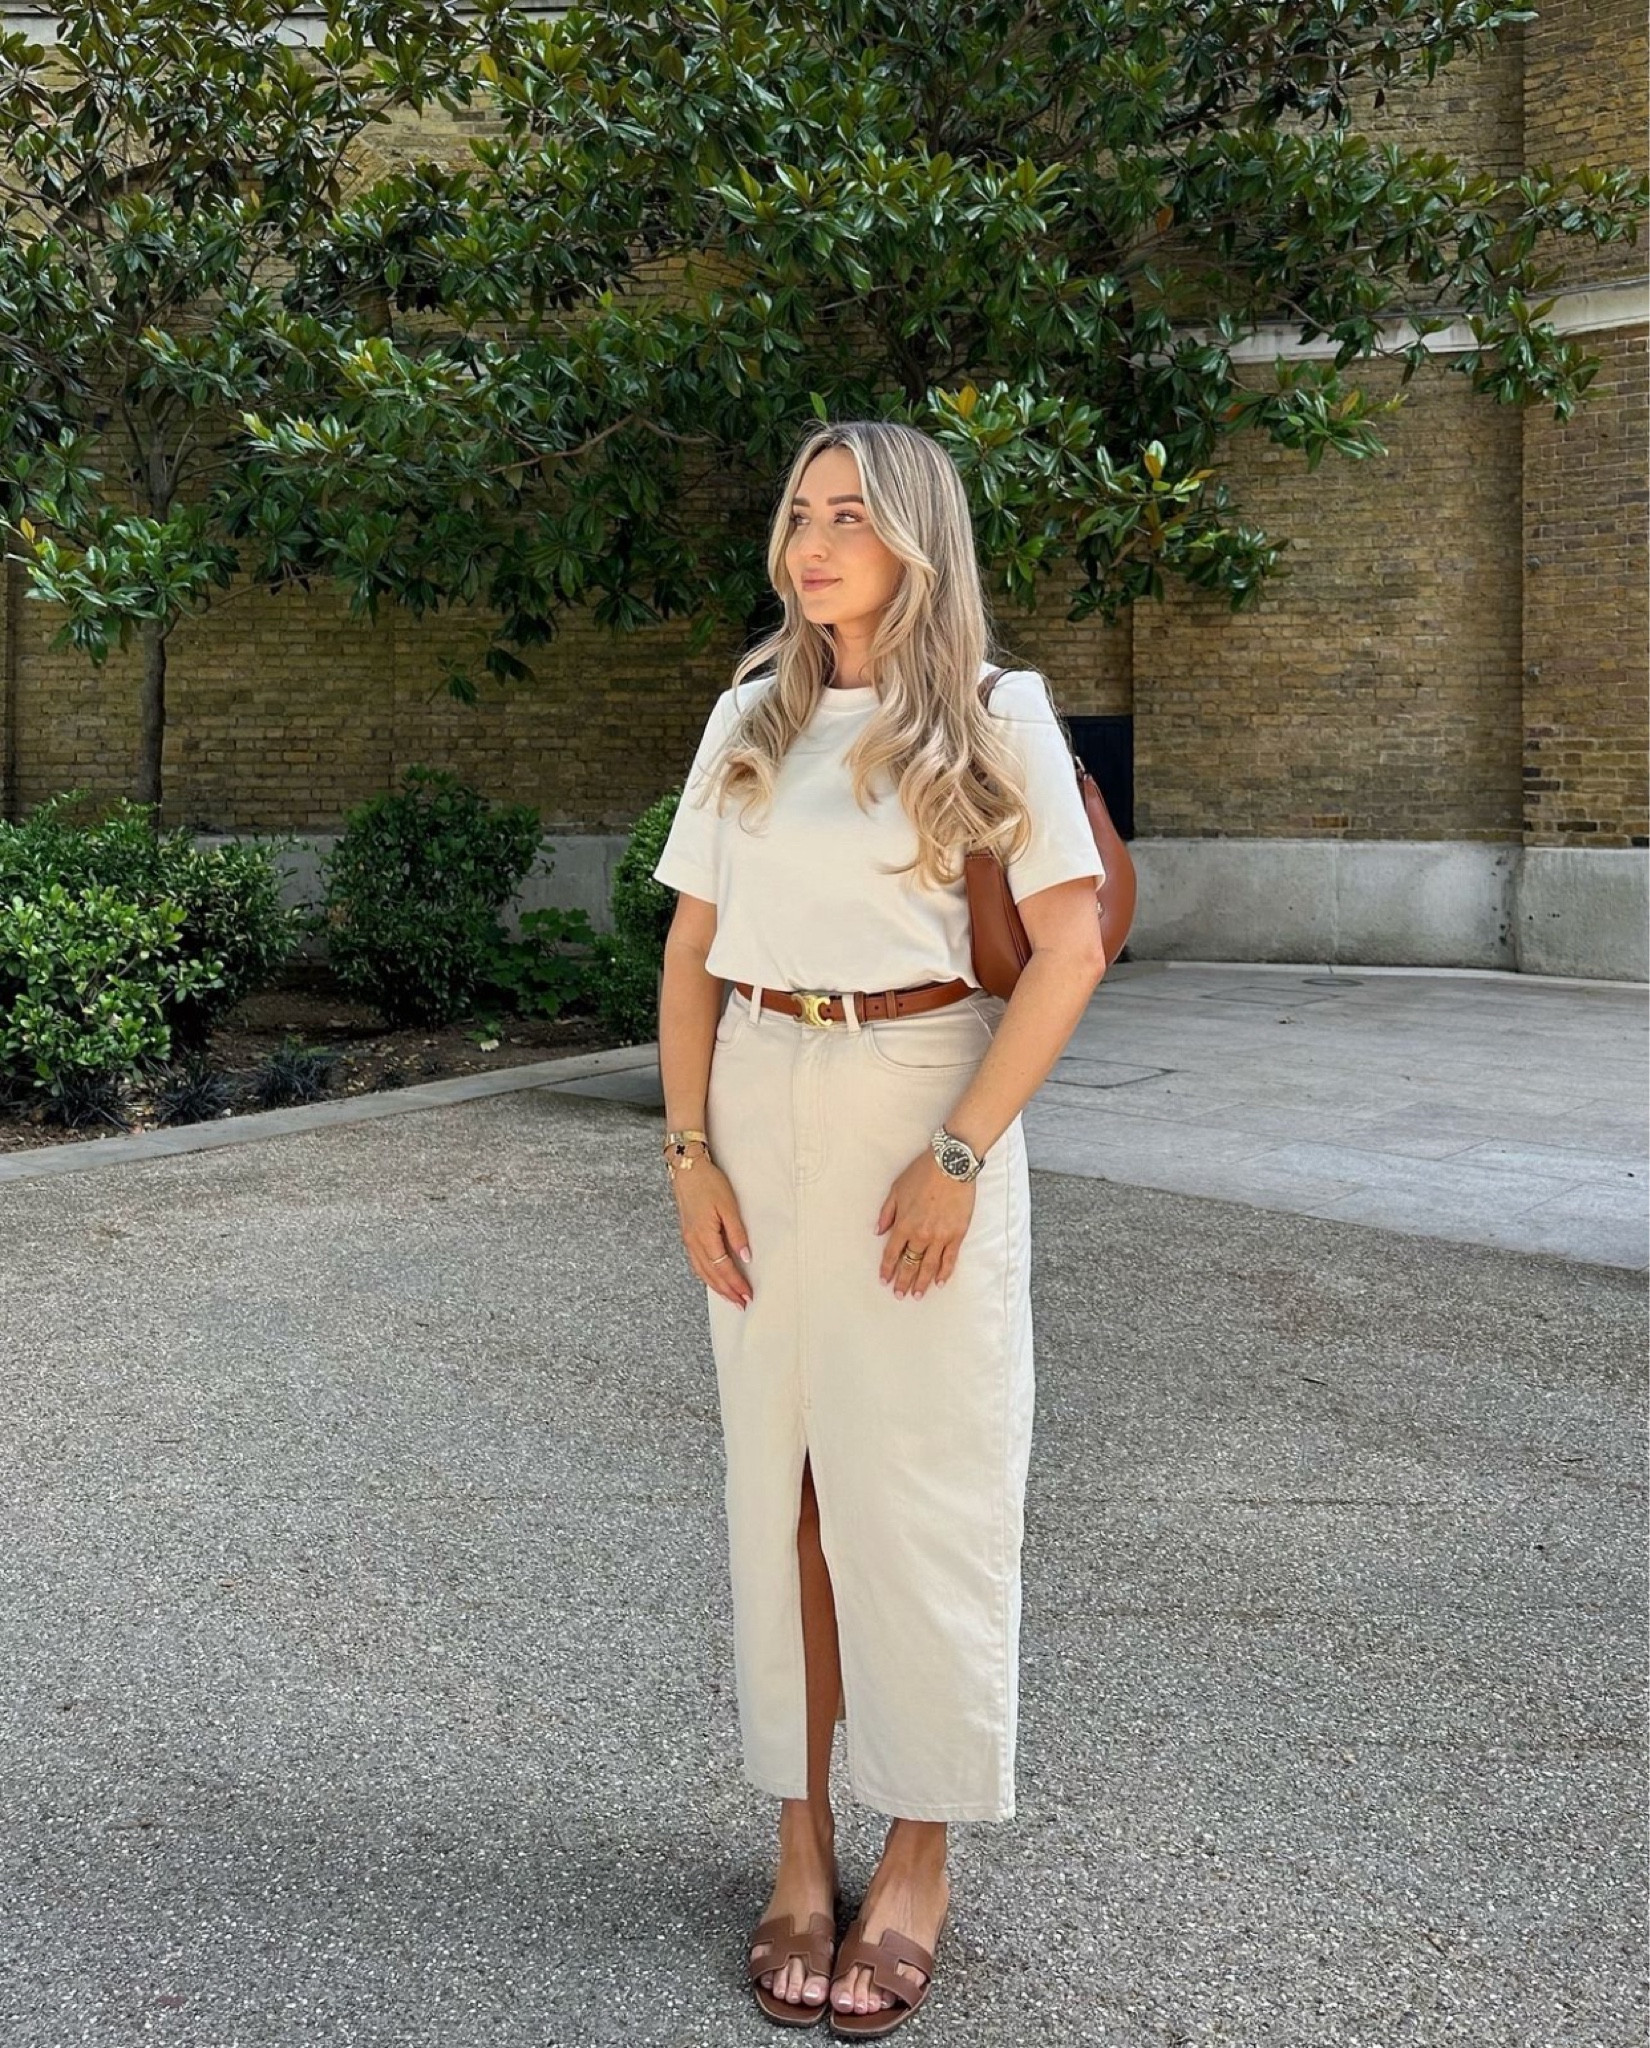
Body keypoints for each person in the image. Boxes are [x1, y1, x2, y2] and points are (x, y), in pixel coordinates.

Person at [650, 418, 1108, 2037]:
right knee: (776, 1494)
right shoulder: (746, 719)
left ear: (917, 541)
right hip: (758, 1106)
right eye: (797, 513)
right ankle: (796, 1844)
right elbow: (693, 949)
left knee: (918, 1501)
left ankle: (914, 1856)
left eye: (850, 515)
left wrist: (961, 1154)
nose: (814, 541)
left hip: (919, 1099)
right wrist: (690, 1154)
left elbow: (1068, 949)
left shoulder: (995, 719)